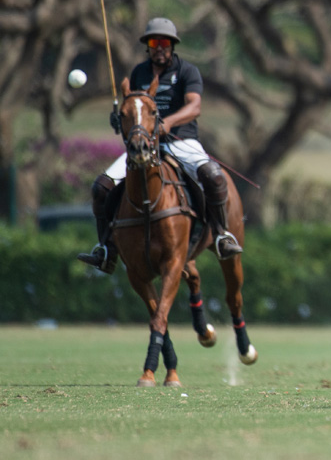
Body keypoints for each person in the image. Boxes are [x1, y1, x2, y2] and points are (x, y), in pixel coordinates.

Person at [76, 17, 243, 273]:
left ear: (172, 45)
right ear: (148, 46)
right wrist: (120, 118)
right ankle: (106, 248)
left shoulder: (187, 71)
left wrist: (167, 123)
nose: (160, 47)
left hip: (181, 141)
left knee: (213, 176)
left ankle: (221, 236)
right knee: (102, 186)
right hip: (144, 145)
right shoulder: (139, 73)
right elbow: (132, 108)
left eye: (165, 42)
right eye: (155, 42)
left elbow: (194, 106)